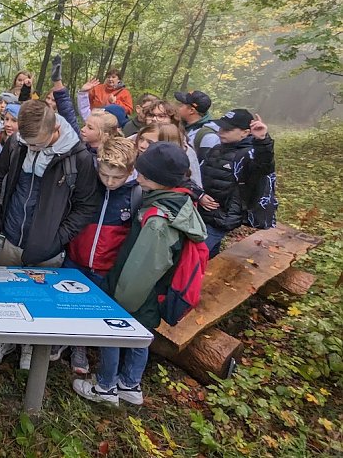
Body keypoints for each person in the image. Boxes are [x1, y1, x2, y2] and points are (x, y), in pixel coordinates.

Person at [73, 142, 206, 407]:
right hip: (155, 292)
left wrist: (119, 302)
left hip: (138, 293)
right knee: (141, 336)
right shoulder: (178, 200)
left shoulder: (157, 221)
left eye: (144, 174)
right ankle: (130, 384)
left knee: (114, 332)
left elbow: (143, 268)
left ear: (160, 180)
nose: (139, 177)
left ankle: (105, 387)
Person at [0, 100, 99, 370]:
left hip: (47, 249)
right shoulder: (17, 143)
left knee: (37, 298)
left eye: (36, 144)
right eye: (27, 143)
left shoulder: (78, 158)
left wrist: (56, 240)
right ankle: (4, 338)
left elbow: (86, 206)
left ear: (55, 129)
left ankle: (29, 344)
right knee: (6, 293)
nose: (30, 148)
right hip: (9, 238)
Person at [63, 137, 139, 376]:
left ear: (130, 171)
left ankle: (81, 347)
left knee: (95, 312)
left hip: (106, 267)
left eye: (117, 177)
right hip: (75, 259)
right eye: (104, 175)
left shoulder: (135, 194)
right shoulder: (89, 184)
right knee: (68, 304)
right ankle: (62, 340)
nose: (110, 182)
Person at [198, 110, 274, 258]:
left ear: (245, 132)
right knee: (210, 253)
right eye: (221, 127)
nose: (221, 132)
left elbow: (264, 166)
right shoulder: (217, 149)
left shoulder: (250, 154)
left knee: (197, 253)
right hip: (205, 211)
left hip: (224, 216)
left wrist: (262, 140)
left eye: (228, 129)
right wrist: (199, 195)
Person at [174, 90, 220, 163]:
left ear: (191, 110)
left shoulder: (208, 136)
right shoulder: (181, 126)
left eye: (180, 105)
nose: (176, 107)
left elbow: (204, 165)